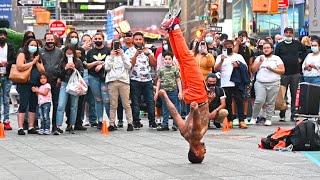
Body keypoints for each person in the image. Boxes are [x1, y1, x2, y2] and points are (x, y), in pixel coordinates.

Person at [160, 8, 209, 163]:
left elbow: (196, 124)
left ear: (195, 151)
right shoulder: (184, 134)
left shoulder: (196, 136)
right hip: (191, 97)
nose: (205, 151)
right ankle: (170, 30)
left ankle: (174, 26)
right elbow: (174, 113)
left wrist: (194, 111)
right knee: (182, 60)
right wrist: (165, 96)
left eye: (203, 153)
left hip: (197, 98)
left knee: (187, 59)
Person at [125, 32, 158, 129]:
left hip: (147, 80)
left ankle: (152, 121)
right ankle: (136, 121)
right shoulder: (129, 51)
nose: (138, 41)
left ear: (143, 40)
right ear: (133, 40)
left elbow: (154, 64)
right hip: (135, 80)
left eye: (140, 39)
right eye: (136, 39)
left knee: (150, 101)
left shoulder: (148, 50)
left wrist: (149, 54)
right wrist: (135, 55)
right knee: (135, 102)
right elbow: (129, 65)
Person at [275, 27, 308, 122]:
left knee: (294, 94)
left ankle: (294, 114)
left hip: (295, 73)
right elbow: (276, 57)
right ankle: (282, 114)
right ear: (284, 34)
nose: (288, 34)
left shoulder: (297, 43)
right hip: (283, 73)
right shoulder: (280, 45)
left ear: (293, 34)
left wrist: (300, 59)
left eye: (290, 33)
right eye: (286, 33)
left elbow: (305, 51)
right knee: (282, 95)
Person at [214, 40, 248, 129]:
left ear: (233, 47)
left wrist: (238, 65)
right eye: (226, 47)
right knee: (228, 102)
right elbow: (216, 69)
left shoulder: (238, 56)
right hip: (225, 83)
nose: (228, 48)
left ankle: (241, 120)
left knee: (239, 101)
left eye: (230, 46)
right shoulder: (220, 57)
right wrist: (221, 61)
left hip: (237, 83)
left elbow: (245, 68)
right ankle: (230, 120)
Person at [250, 42, 285, 126]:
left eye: (268, 48)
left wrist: (272, 69)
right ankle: (254, 117)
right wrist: (259, 62)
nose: (266, 49)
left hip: (274, 83)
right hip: (260, 83)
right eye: (264, 48)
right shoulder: (259, 58)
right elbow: (253, 70)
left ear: (271, 49)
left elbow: (282, 70)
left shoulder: (277, 58)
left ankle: (268, 118)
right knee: (259, 100)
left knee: (270, 102)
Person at [16, 39, 45, 135]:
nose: (33, 47)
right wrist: (32, 63)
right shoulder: (22, 54)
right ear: (27, 45)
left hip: (35, 83)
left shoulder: (37, 57)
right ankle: (20, 127)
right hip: (24, 83)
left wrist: (36, 61)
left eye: (35, 45)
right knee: (23, 104)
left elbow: (42, 70)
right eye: (31, 45)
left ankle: (31, 126)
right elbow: (20, 66)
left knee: (33, 105)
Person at [105, 39, 134, 131]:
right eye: (114, 46)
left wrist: (122, 54)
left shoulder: (124, 55)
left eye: (118, 46)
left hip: (124, 82)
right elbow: (107, 68)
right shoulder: (109, 57)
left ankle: (130, 123)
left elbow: (129, 66)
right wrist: (112, 56)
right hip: (112, 82)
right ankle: (112, 123)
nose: (116, 48)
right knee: (113, 104)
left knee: (126, 104)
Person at [55, 45, 83, 135]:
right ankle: (58, 126)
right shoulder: (62, 61)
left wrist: (75, 69)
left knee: (74, 106)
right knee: (61, 105)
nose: (69, 52)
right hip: (64, 83)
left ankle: (71, 125)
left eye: (71, 50)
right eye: (68, 50)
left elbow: (81, 74)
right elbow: (59, 74)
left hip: (75, 84)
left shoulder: (78, 61)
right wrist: (65, 68)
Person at [85, 32, 111, 129]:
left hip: (105, 78)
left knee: (107, 100)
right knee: (98, 100)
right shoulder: (90, 52)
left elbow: (112, 61)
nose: (97, 40)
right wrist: (95, 63)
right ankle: (99, 120)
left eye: (99, 38)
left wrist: (102, 65)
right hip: (93, 78)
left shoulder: (108, 50)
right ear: (93, 40)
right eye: (95, 39)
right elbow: (86, 65)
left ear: (103, 39)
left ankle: (111, 121)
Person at [39, 33, 64, 133]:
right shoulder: (40, 51)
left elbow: (62, 65)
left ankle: (55, 125)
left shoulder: (60, 52)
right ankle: (43, 126)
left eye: (51, 39)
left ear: (54, 40)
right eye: (48, 40)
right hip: (43, 82)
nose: (50, 41)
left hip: (56, 81)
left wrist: (60, 78)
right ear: (45, 40)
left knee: (57, 103)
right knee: (42, 103)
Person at [154, 51, 183, 131]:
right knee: (165, 108)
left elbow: (178, 80)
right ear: (163, 60)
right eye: (166, 59)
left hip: (173, 91)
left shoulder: (175, 69)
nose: (167, 60)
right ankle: (165, 124)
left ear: (172, 60)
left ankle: (176, 124)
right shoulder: (161, 70)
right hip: (164, 92)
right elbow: (159, 81)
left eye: (169, 59)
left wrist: (180, 91)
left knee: (175, 107)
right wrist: (157, 92)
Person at [0, 29, 16, 130]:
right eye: (0, 35)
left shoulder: (10, 47)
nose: (2, 37)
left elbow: (14, 59)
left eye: (4, 35)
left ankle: (6, 120)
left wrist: (7, 64)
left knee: (6, 98)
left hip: (7, 75)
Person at [81, 34, 97, 127]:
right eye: (84, 41)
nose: (86, 43)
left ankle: (93, 120)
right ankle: (81, 120)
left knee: (92, 100)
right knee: (82, 101)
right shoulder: (79, 51)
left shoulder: (94, 52)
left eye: (88, 40)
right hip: (82, 79)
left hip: (92, 78)